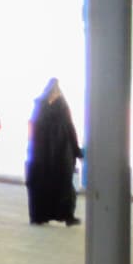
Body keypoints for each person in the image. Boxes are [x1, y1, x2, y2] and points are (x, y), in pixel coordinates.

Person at [26, 78, 83, 226]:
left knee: (65, 184)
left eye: (56, 92)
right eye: (53, 92)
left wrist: (76, 150)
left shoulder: (62, 106)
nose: (55, 95)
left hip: (62, 152)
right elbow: (33, 128)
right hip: (43, 153)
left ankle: (67, 215)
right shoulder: (40, 106)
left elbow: (70, 128)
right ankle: (40, 216)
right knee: (43, 184)